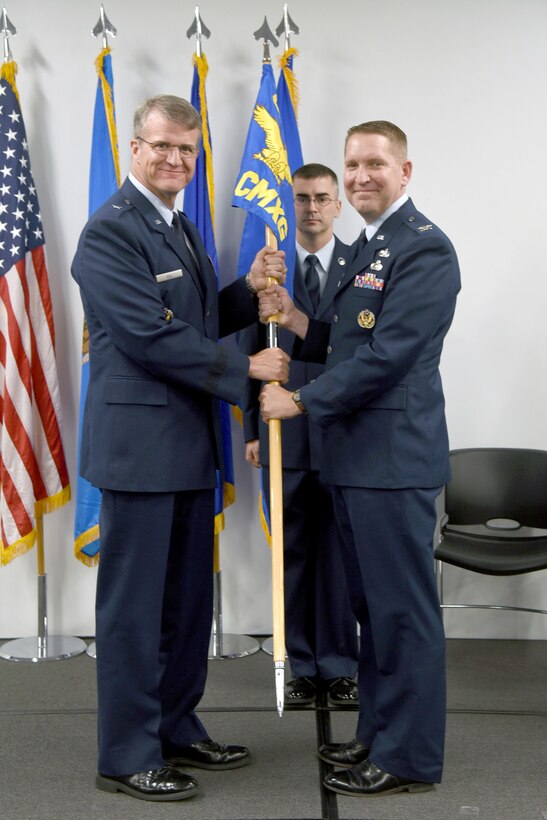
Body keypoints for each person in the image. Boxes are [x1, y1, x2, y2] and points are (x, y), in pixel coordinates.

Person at [71, 94, 289, 803]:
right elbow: (149, 334)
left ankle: (174, 725)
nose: (174, 159)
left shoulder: (180, 225)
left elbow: (192, 316)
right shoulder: (110, 231)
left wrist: (246, 292)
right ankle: (125, 754)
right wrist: (245, 367)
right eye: (162, 145)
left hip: (190, 443)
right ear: (134, 149)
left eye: (186, 150)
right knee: (135, 610)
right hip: (140, 450)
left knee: (187, 602)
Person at [259, 121, 460, 797]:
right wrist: (296, 321)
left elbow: (387, 356)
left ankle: (408, 758)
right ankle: (377, 734)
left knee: (402, 615)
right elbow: (346, 340)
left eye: (375, 163)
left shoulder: (423, 248)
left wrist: (300, 400)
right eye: (352, 164)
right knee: (373, 613)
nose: (360, 175)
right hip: (355, 461)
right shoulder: (369, 247)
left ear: (405, 171)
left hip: (393, 462)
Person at [239, 163, 358, 707]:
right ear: (291, 207)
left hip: (342, 430)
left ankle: (340, 664)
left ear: (338, 205)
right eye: (303, 198)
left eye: (322, 198)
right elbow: (250, 351)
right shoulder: (269, 269)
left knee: (339, 554)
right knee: (291, 552)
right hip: (283, 432)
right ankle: (302, 664)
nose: (312, 208)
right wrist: (253, 426)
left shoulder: (363, 266)